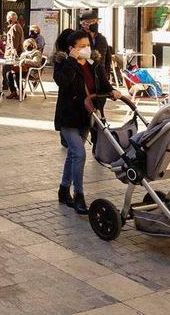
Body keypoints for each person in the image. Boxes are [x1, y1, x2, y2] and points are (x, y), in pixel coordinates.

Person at [54, 29, 121, 215]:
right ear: (71, 48)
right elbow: (62, 82)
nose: (86, 49)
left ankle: (63, 189)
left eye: (88, 46)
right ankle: (79, 195)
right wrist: (70, 60)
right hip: (68, 117)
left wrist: (113, 91)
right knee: (79, 153)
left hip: (86, 116)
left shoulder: (94, 62)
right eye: (81, 46)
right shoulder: (62, 62)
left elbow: (103, 83)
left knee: (73, 155)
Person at [80, 11, 112, 75]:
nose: (87, 25)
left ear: (96, 22)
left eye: (91, 22)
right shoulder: (79, 37)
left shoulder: (102, 38)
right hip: (85, 74)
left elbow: (108, 58)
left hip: (101, 75)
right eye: (85, 23)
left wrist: (106, 74)